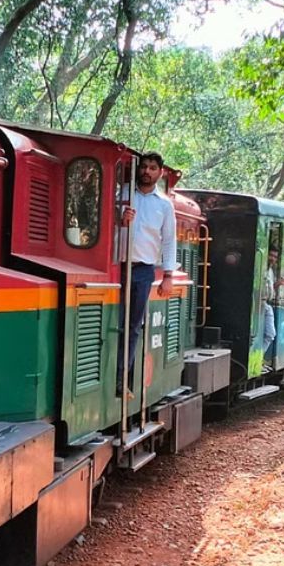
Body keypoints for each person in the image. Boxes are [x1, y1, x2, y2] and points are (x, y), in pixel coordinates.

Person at [116, 152, 177, 398]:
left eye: (153, 168)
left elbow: (169, 240)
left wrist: (169, 275)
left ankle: (122, 379)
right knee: (114, 324)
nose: (147, 171)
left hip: (143, 270)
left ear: (159, 172)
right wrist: (120, 220)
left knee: (133, 326)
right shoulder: (121, 194)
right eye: (144, 166)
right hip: (115, 267)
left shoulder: (164, 204)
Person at [262, 249, 278, 360]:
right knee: (270, 334)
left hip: (267, 303)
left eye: (275, 257)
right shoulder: (262, 268)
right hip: (263, 304)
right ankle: (258, 358)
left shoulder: (270, 270)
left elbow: (270, 289)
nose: (272, 258)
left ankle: (259, 357)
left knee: (269, 334)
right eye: (271, 255)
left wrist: (279, 284)